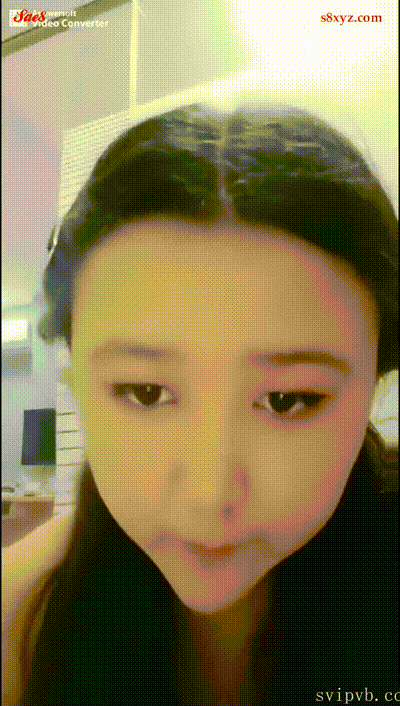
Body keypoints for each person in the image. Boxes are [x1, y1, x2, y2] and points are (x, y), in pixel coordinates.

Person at [2, 101, 398, 706]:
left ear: (373, 381)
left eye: (287, 399)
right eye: (145, 393)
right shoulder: (21, 623)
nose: (210, 494)